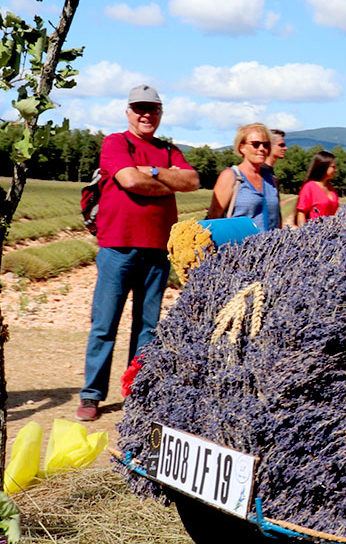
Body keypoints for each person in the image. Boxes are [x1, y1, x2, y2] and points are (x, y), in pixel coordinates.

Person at [79, 85, 200, 421]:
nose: (146, 114)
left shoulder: (167, 149)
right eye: (139, 108)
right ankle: (91, 396)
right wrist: (166, 183)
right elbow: (130, 180)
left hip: (158, 250)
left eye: (153, 109)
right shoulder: (116, 143)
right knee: (105, 324)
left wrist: (156, 172)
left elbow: (192, 181)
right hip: (118, 245)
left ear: (160, 113)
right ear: (128, 111)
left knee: (147, 327)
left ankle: (138, 391)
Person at [206, 123, 282, 232]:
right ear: (242, 147)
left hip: (272, 247)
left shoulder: (271, 180)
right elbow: (213, 218)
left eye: (266, 145)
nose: (262, 148)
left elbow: (278, 219)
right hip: (239, 247)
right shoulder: (231, 176)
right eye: (256, 144)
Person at [295, 151, 339, 226]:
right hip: (314, 232)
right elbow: (301, 213)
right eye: (333, 167)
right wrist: (304, 233)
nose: (336, 170)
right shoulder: (309, 187)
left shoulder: (331, 188)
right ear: (323, 167)